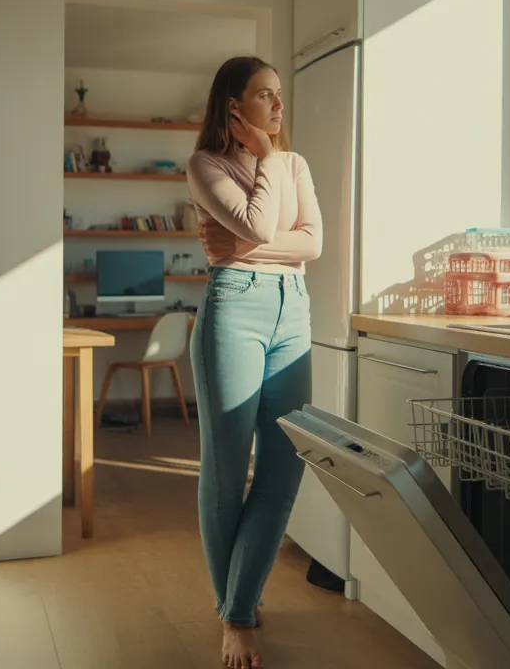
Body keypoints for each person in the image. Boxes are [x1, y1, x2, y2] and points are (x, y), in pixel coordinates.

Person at [186, 55, 323, 669]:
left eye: (279, 94)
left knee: (284, 465)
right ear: (233, 106)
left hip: (294, 314)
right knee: (225, 473)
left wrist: (237, 245)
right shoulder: (206, 165)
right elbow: (264, 224)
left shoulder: (296, 164)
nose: (278, 104)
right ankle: (237, 613)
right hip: (233, 312)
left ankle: (235, 601)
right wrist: (264, 157)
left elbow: (313, 243)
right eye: (264, 94)